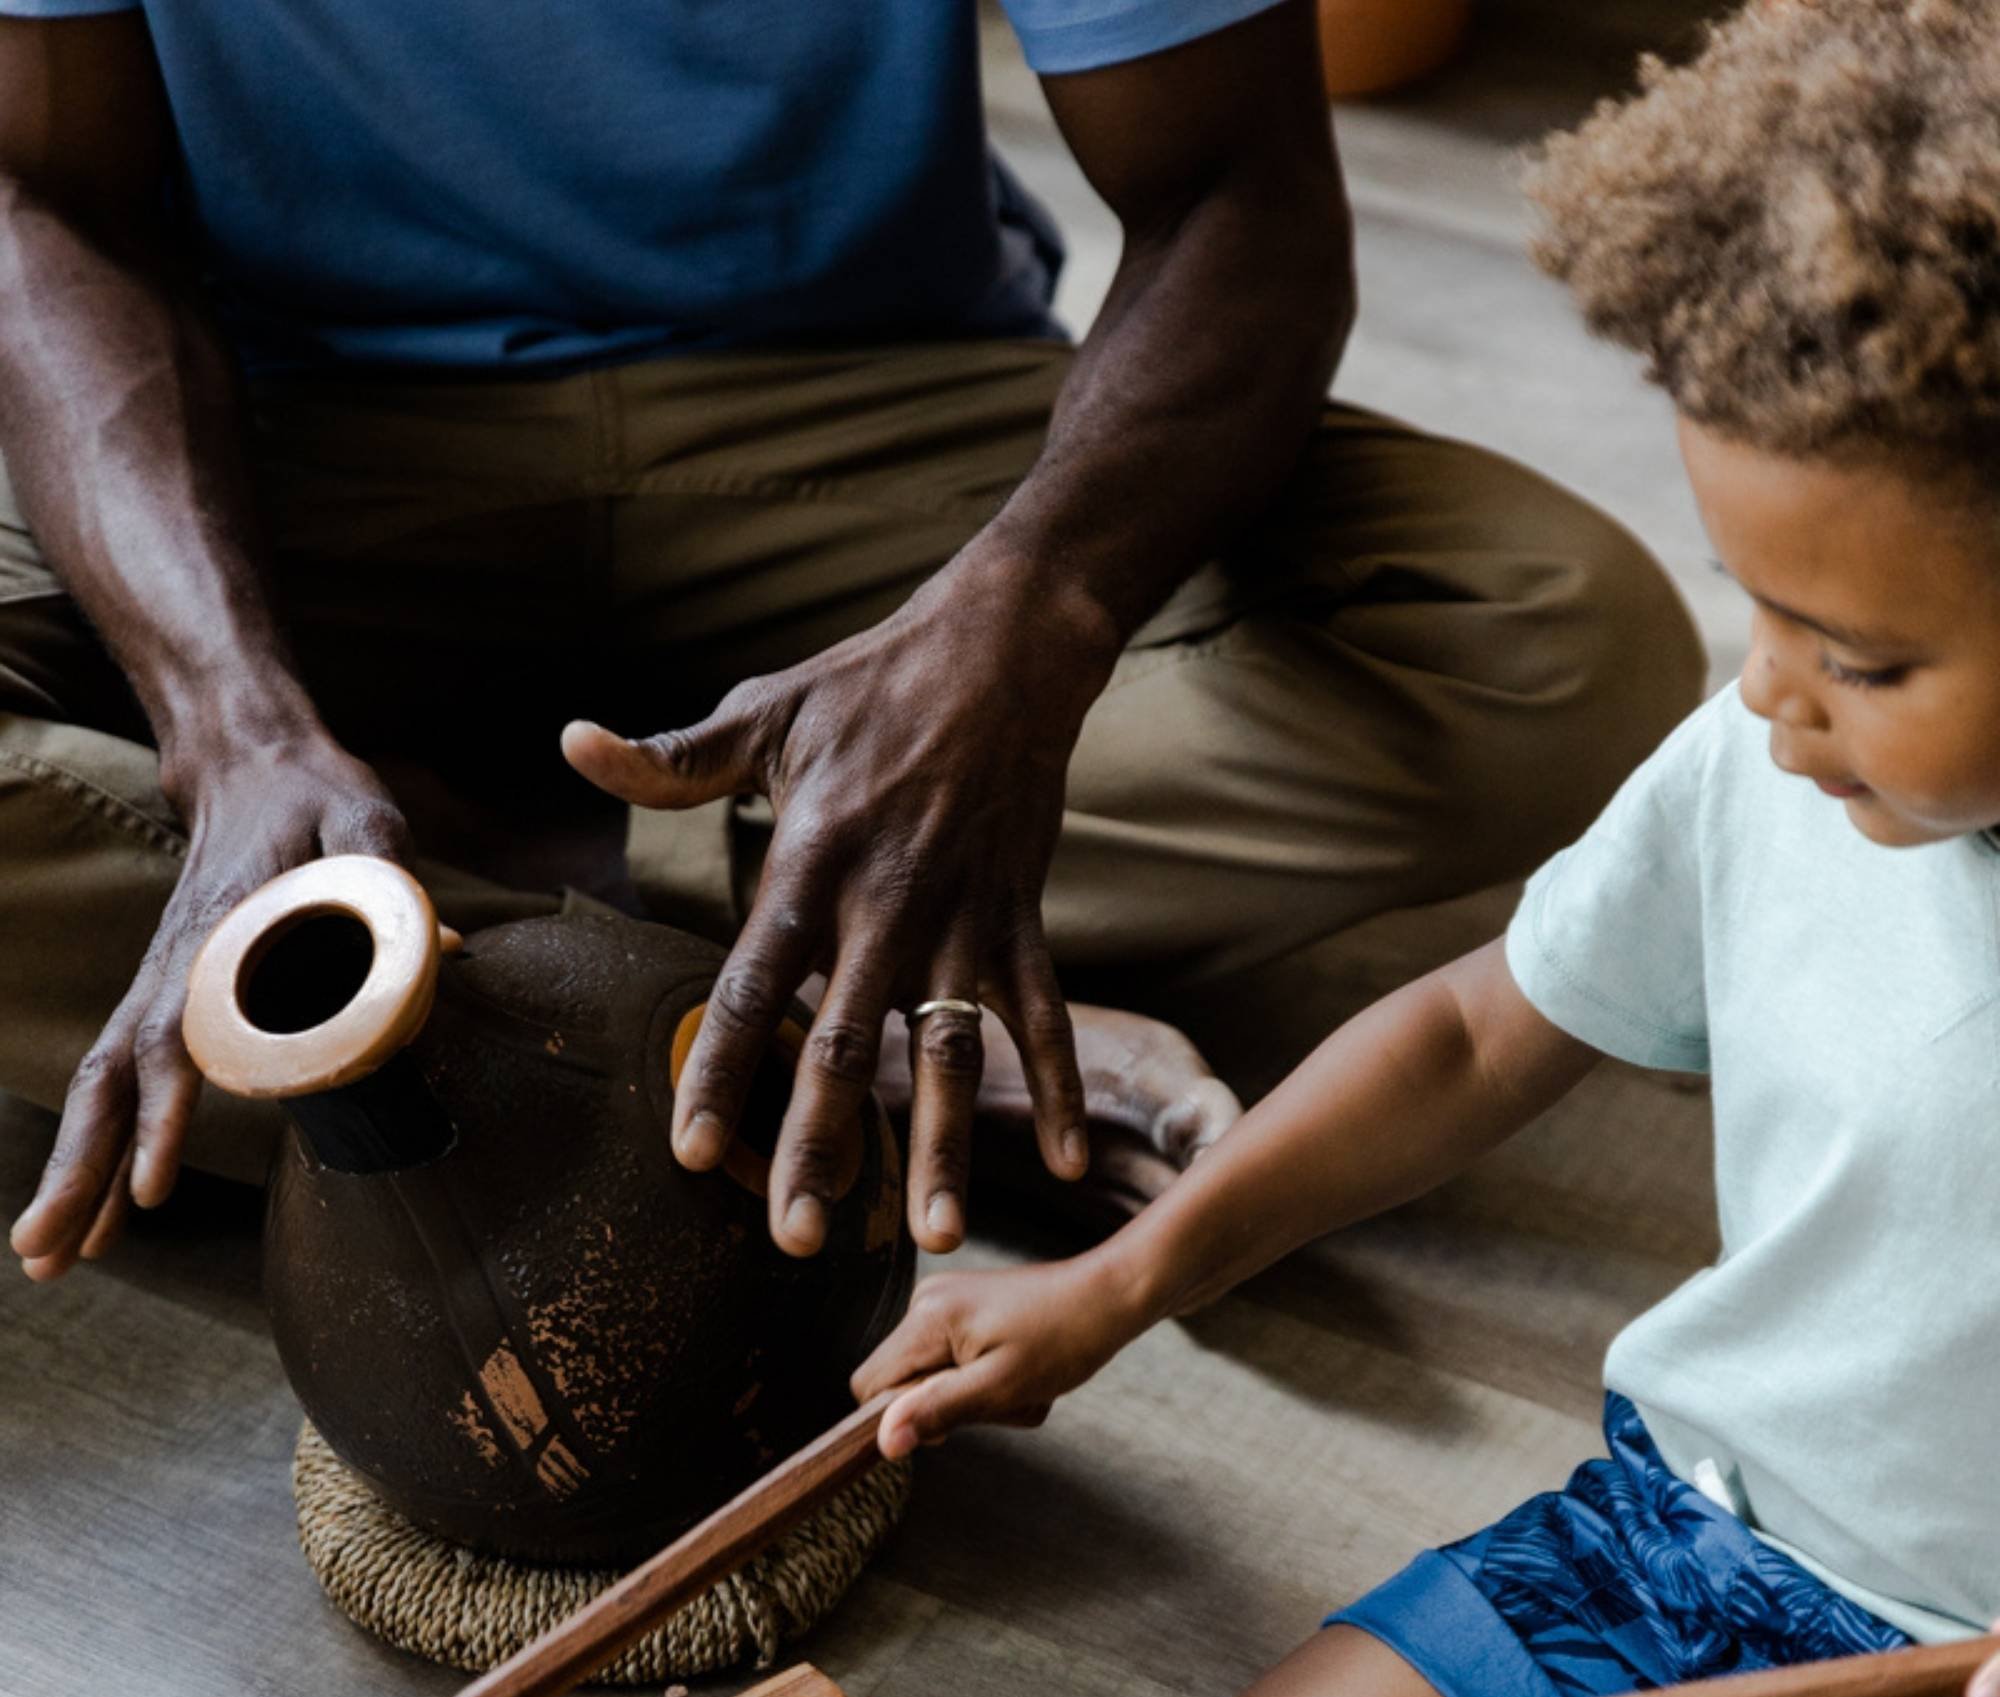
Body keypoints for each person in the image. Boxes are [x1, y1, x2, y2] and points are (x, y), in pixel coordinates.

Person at [858, 0, 2000, 1697]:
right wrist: (1121, 1279)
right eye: (1754, 608)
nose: (1767, 695)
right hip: (1698, 1542)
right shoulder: (1763, 762)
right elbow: (1480, 1024)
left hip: (1964, 1686)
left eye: (1855, 652)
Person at [0, 0, 1699, 1284]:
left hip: (859, 394)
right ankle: (823, 1023)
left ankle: (489, 931)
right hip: (294, 434)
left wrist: (1029, 615)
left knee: (1549, 638)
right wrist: (225, 719)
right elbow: (49, 203)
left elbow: (1232, 192)